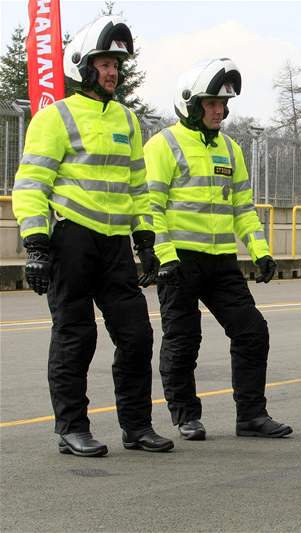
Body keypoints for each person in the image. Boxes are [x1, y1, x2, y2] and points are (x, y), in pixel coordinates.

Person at [11, 16, 173, 456]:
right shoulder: (54, 117)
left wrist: (145, 240)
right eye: (104, 62)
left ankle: (137, 426)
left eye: (116, 64)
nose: (112, 71)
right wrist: (37, 244)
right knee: (75, 335)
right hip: (71, 241)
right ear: (83, 66)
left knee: (137, 335)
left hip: (115, 245)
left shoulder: (128, 120)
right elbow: (31, 185)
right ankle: (71, 428)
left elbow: (138, 188)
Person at [143, 58, 291, 441]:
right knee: (183, 340)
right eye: (211, 103)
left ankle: (251, 416)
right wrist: (165, 256)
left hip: (221, 260)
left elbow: (242, 208)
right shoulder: (164, 145)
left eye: (223, 104)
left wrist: (260, 251)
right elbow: (150, 208)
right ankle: (186, 416)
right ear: (190, 103)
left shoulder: (230, 149)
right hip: (179, 261)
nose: (219, 110)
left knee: (252, 331)